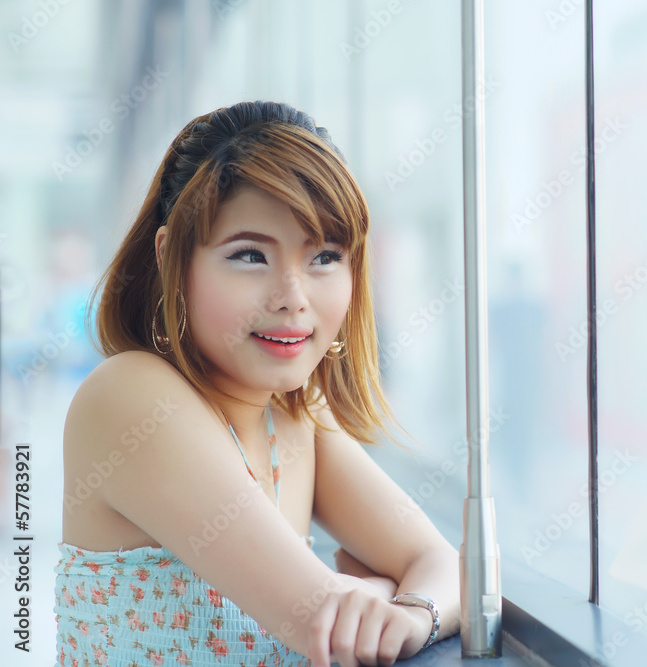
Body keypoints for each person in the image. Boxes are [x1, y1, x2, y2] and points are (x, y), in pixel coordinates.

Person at [54, 101, 459, 667]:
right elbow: (327, 622)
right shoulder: (129, 397)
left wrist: (409, 611)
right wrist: (372, 594)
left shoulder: (294, 419)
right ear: (173, 257)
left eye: (323, 256)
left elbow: (447, 567)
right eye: (249, 255)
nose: (293, 295)